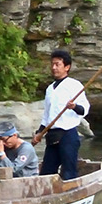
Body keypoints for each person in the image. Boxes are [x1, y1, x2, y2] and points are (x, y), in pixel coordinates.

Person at [34, 49, 90, 180]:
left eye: (57, 64)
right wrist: (39, 132)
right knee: (46, 172)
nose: (54, 68)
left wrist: (74, 106)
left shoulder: (74, 85)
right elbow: (47, 115)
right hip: (52, 135)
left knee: (69, 171)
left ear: (67, 67)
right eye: (52, 64)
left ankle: (71, 195)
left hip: (67, 134)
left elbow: (84, 109)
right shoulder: (50, 89)